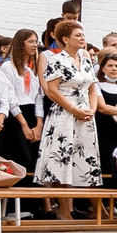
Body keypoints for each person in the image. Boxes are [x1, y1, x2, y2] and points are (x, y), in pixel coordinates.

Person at [35, 18, 100, 216]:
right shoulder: (56, 60)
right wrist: (74, 109)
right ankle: (64, 211)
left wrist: (92, 110)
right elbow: (52, 91)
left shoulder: (87, 59)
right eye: (78, 35)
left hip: (86, 114)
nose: (82, 38)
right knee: (62, 159)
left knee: (85, 158)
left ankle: (87, 209)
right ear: (65, 39)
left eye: (83, 34)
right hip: (64, 113)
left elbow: (92, 88)